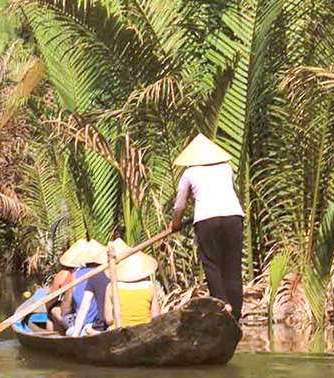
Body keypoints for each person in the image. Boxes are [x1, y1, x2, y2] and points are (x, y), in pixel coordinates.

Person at [171, 133, 244, 321]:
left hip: (207, 220)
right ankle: (236, 310)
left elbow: (179, 205)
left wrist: (176, 223)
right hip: (233, 217)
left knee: (211, 263)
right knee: (232, 266)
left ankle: (222, 303)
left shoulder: (190, 172)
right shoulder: (227, 168)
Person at [103, 239, 161, 328]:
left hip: (119, 333)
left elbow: (109, 319)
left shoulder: (111, 287)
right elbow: (156, 317)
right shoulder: (150, 286)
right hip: (145, 331)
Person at [46, 239, 92, 332]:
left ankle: (54, 336)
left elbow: (50, 301)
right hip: (94, 315)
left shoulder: (65, 274)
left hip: (78, 315)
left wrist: (51, 308)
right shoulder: (102, 272)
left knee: (52, 310)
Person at [66, 240, 110, 336]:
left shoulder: (78, 275)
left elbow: (82, 307)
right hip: (105, 325)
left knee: (65, 326)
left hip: (90, 326)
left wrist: (75, 334)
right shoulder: (109, 275)